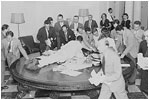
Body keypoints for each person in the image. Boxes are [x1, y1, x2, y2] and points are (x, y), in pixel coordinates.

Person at [139, 30, 148, 94]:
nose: (145, 38)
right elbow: (140, 52)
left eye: (147, 36)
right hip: (144, 65)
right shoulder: (143, 43)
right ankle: (144, 90)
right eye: (145, 36)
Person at [1, 24, 10, 90]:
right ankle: (1, 85)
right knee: (2, 71)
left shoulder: (3, 36)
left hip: (3, 55)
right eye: (8, 29)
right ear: (5, 29)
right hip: (1, 56)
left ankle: (2, 83)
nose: (9, 30)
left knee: (2, 71)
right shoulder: (1, 36)